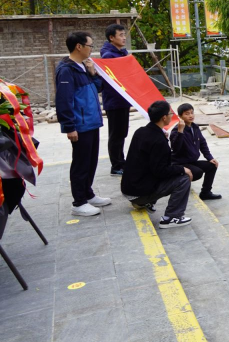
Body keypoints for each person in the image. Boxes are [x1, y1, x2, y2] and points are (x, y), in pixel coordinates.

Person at [55, 31, 111, 217]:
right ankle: (78, 203)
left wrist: (93, 73)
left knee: (91, 161)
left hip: (91, 121)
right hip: (80, 124)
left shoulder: (83, 66)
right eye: (90, 45)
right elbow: (64, 100)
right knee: (81, 163)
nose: (91, 49)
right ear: (79, 46)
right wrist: (69, 126)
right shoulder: (66, 70)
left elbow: (98, 87)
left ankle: (88, 193)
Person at [121, 101, 193, 228]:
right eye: (170, 113)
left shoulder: (141, 131)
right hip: (138, 193)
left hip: (128, 188)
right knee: (183, 179)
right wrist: (183, 169)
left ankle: (143, 202)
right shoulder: (158, 141)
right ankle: (172, 217)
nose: (172, 115)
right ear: (164, 118)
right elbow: (161, 171)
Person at [170, 103, 221, 200]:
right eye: (187, 114)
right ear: (180, 116)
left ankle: (205, 193)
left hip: (191, 161)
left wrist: (210, 158)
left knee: (212, 165)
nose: (190, 115)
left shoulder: (195, 127)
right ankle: (177, 182)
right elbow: (175, 148)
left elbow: (202, 143)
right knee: (197, 172)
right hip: (180, 163)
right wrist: (180, 132)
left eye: (192, 113)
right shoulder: (176, 130)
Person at [101, 23, 131, 177]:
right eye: (121, 35)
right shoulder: (109, 56)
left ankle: (121, 161)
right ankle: (116, 165)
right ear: (111, 38)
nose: (124, 38)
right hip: (114, 101)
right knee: (116, 135)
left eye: (124, 35)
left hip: (123, 100)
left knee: (122, 133)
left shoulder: (121, 53)